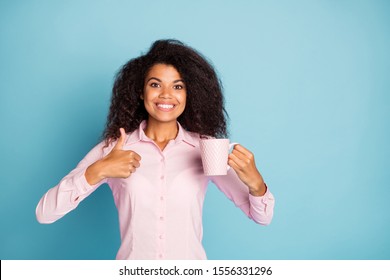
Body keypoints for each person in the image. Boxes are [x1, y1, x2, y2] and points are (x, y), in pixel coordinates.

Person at [36, 39, 275, 260]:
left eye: (178, 86)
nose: (166, 95)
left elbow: (262, 217)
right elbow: (45, 213)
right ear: (141, 92)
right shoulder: (114, 148)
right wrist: (97, 170)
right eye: (155, 84)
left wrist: (256, 183)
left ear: (189, 94)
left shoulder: (206, 148)